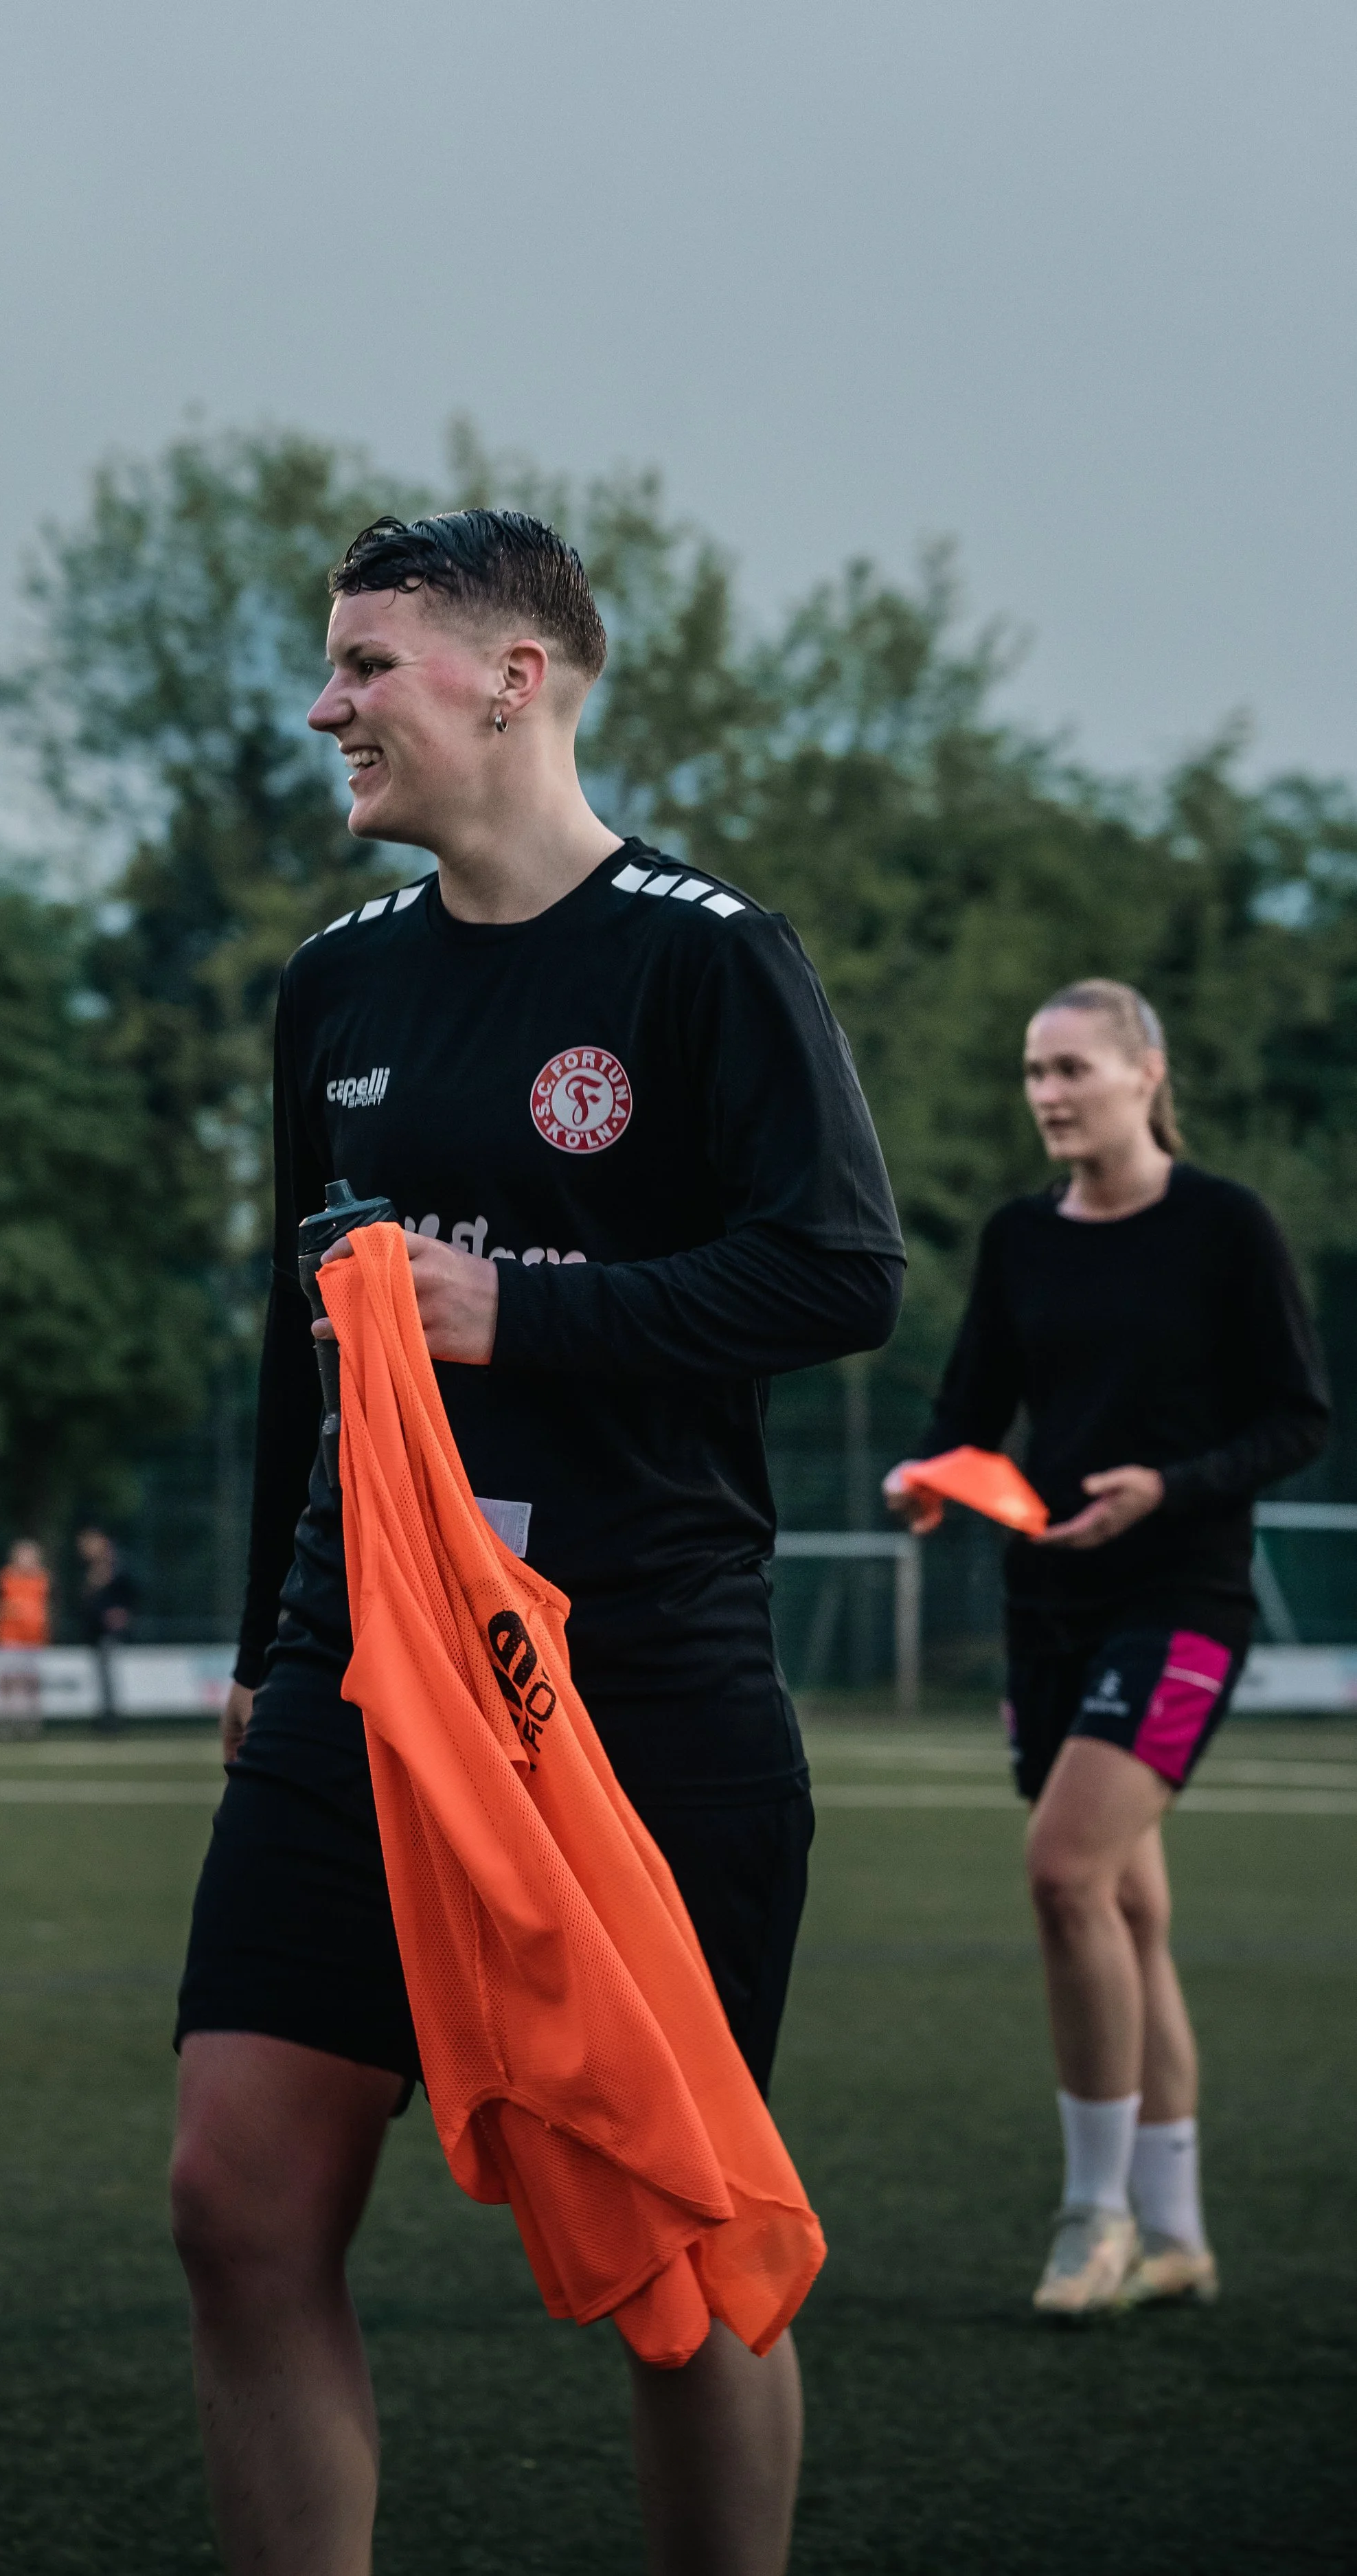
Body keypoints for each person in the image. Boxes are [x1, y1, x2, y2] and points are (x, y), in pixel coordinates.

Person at [167, 508, 905, 2576]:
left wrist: (526, 1310)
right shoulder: (333, 986)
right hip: (355, 1667)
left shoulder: (701, 954)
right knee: (235, 2195)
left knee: (674, 2261)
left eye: (366, 664)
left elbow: (837, 1274)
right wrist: (259, 1641)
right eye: (329, 665)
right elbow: (292, 1342)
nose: (327, 706)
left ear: (519, 678)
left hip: (627, 1680)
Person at [885, 979, 1328, 2318]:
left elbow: (1293, 1418)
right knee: (1128, 1915)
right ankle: (1178, 2234)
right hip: (1048, 1613)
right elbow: (966, 1416)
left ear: (1144, 1072)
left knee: (1062, 1874)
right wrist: (928, 1478)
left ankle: (1093, 2220)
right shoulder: (1020, 1239)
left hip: (1180, 1598)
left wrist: (1167, 1487)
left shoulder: (1224, 1227)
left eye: (1070, 1066)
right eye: (1031, 1070)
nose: (1045, 1093)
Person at [76, 1525, 135, 1732]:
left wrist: (122, 1612)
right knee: (102, 1675)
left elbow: (128, 1595)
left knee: (107, 1674)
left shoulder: (116, 1567)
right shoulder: (91, 1569)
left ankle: (111, 1718)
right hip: (95, 1630)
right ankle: (107, 1715)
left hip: (107, 1632)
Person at [0, 1535, 51, 1739]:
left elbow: (49, 1609)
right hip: (9, 1638)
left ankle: (31, 1725)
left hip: (34, 1639)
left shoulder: (43, 1579)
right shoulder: (4, 1578)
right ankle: (5, 1725)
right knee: (8, 1682)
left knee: (31, 1683)